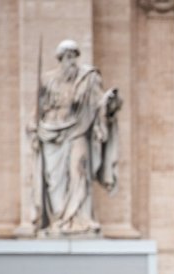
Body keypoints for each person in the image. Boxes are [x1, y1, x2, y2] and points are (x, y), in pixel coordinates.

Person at [30, 39, 121, 236]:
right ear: (60, 59)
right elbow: (37, 109)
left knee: (79, 171)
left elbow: (100, 103)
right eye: (68, 57)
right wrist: (33, 127)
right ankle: (59, 221)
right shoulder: (47, 79)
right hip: (50, 133)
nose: (72, 62)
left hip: (78, 131)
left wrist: (111, 103)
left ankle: (80, 220)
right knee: (55, 181)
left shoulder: (88, 78)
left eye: (74, 57)